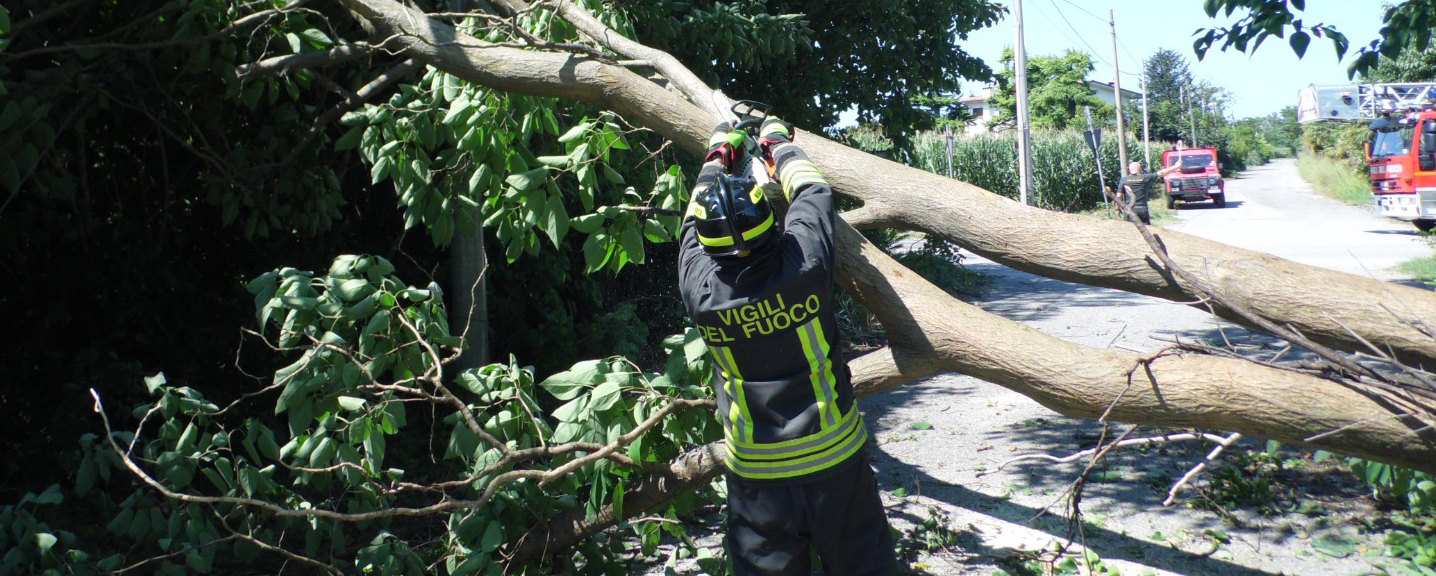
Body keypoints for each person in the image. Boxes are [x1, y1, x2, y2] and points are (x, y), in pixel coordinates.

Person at [677, 116, 895, 576]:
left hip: (757, 481)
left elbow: (690, 224)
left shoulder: (700, 292)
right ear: (773, 226)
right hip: (835, 463)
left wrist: (716, 157)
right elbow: (813, 192)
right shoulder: (804, 265)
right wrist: (777, 144)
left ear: (708, 248)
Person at [1116, 160, 1180, 225]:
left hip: (1129, 209)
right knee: (1146, 228)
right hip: (1142, 209)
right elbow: (1161, 173)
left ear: (1129, 170)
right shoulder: (1145, 178)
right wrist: (1176, 166)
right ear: (1140, 169)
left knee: (1130, 229)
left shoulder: (1124, 180)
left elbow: (1119, 196)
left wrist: (1118, 207)